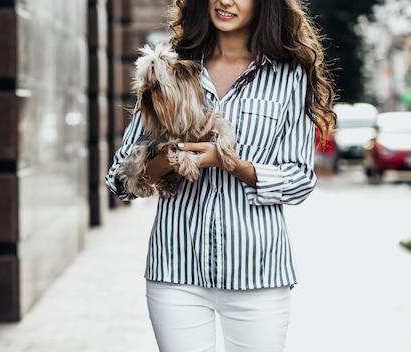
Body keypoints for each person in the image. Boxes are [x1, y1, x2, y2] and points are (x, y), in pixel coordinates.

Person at [105, 0, 337, 351]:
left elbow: (299, 180)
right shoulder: (169, 69)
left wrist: (227, 161)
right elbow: (120, 179)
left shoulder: (288, 75)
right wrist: (172, 156)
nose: (225, 1)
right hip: (176, 271)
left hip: (258, 275)